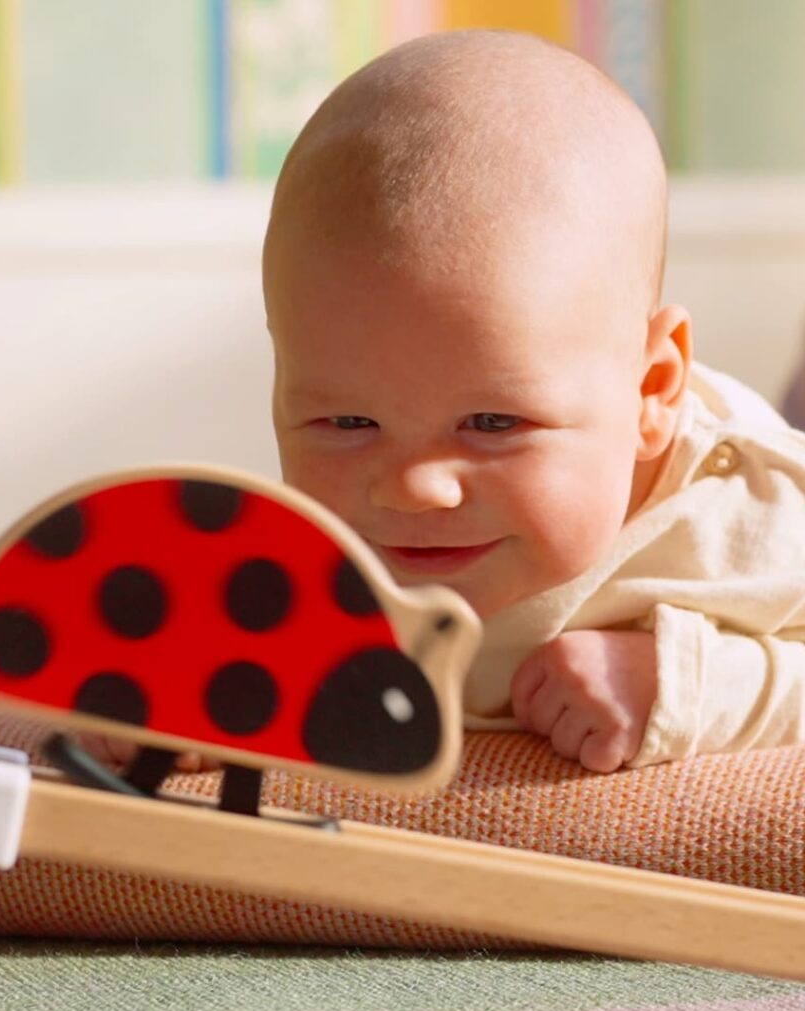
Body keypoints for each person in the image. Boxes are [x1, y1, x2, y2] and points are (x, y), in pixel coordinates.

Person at [264, 29, 805, 774]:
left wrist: (689, 685)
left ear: (651, 393)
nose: (415, 487)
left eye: (492, 423)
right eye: (348, 422)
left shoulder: (753, 510)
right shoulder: (311, 547)